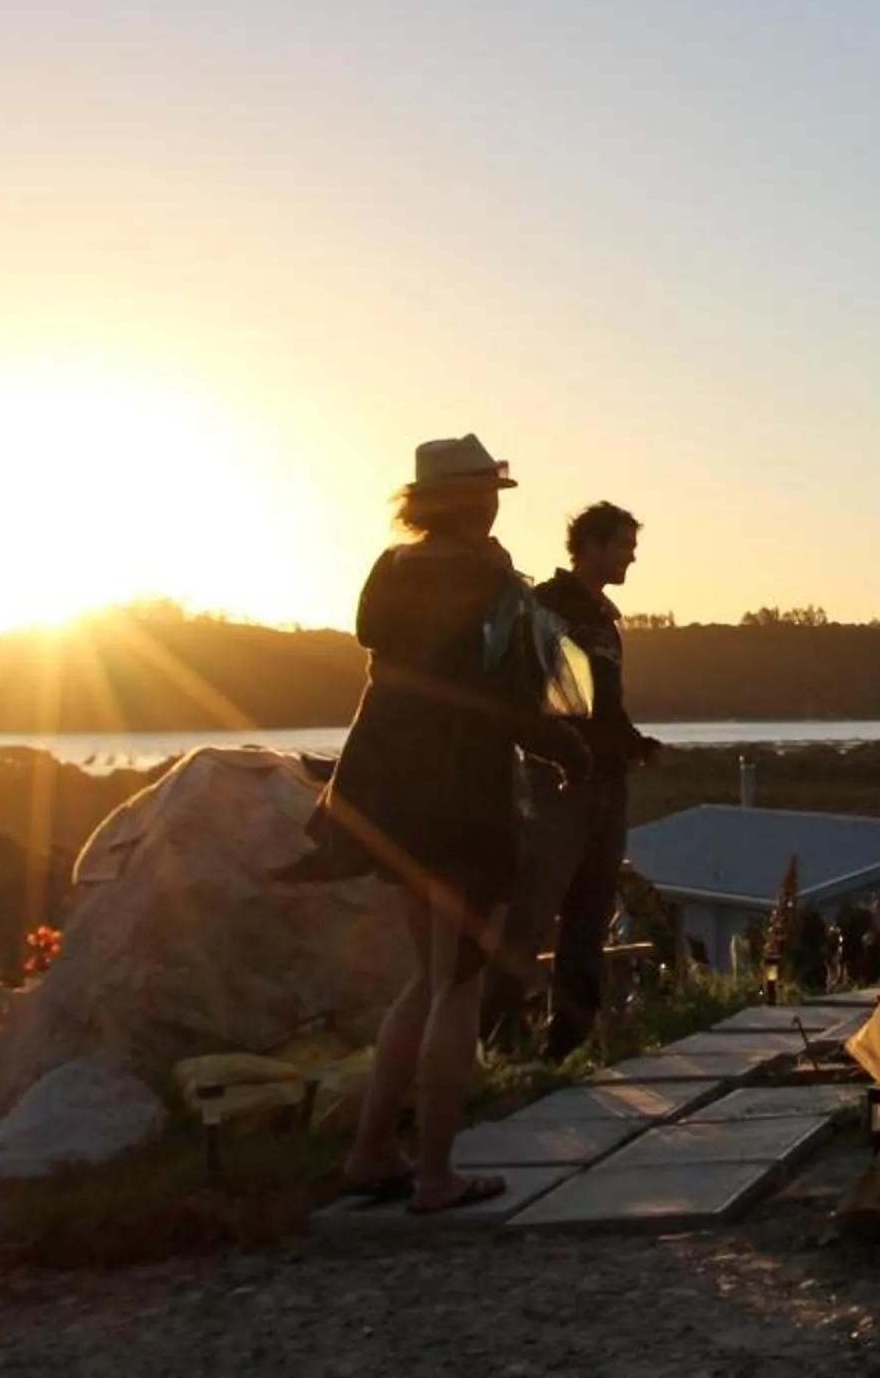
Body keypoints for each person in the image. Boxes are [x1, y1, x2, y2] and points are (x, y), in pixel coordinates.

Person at [304, 435, 591, 1215]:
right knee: (459, 984)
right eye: (493, 491)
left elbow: (388, 656)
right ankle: (435, 1175)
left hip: (386, 789)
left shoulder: (389, 571)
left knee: (426, 980)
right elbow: (508, 696)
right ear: (476, 501)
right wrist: (565, 750)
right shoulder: (493, 582)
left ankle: (369, 1154)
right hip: (463, 791)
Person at [522, 502, 661, 1058]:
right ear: (593, 546)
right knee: (533, 912)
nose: (632, 555)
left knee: (589, 914)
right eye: (625, 545)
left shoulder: (606, 619)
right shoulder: (547, 606)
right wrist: (563, 756)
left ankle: (569, 1047)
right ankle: (496, 1042)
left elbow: (608, 707)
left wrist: (636, 745)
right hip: (559, 784)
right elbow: (540, 697)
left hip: (608, 784)